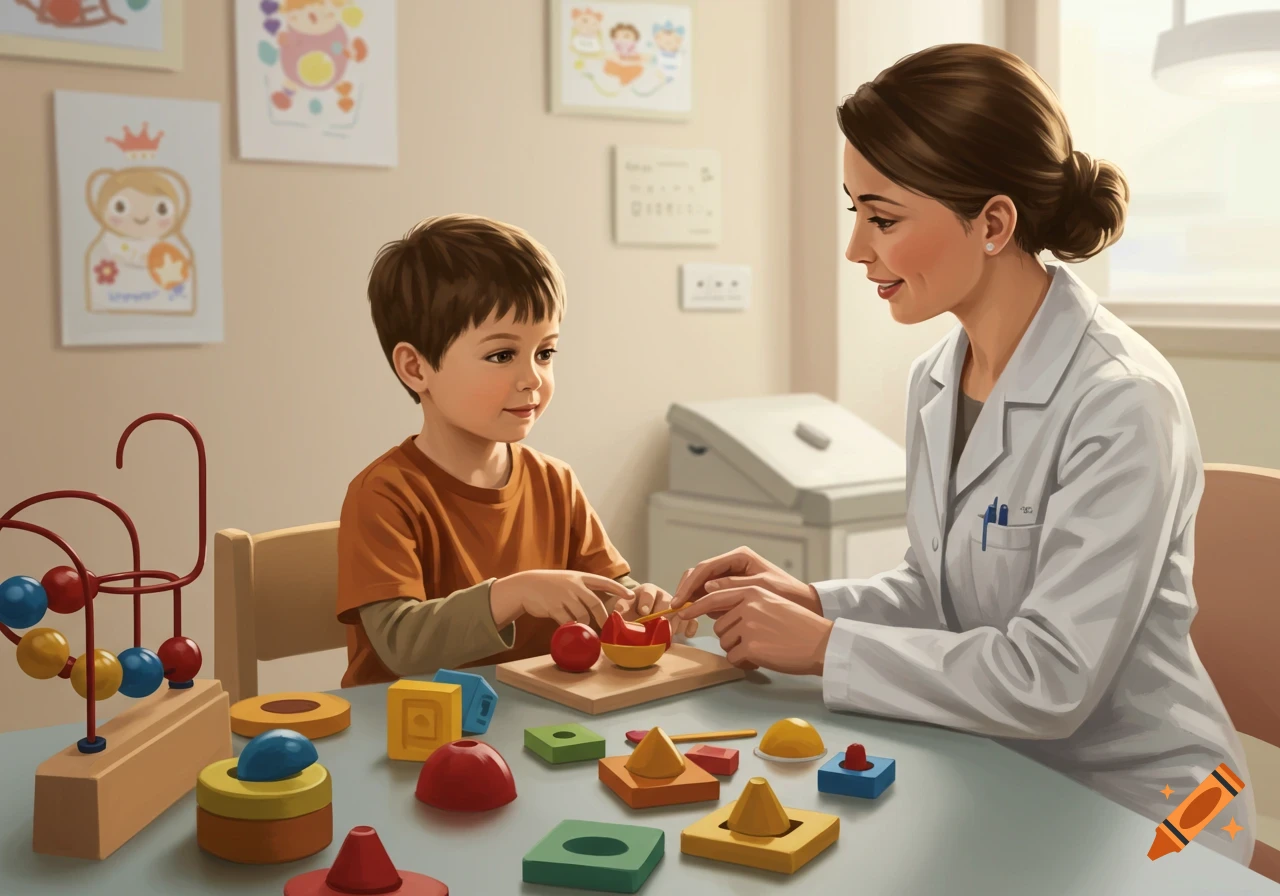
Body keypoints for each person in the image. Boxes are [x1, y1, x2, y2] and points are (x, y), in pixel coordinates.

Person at [672, 43, 1256, 867]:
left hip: (1161, 807)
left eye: (882, 218)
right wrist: (811, 599)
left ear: (993, 223)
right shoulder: (938, 377)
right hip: (1006, 767)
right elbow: (938, 590)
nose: (856, 251)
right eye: (855, 213)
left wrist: (822, 646)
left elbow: (1048, 676)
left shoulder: (1122, 401)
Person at [336, 214, 695, 688]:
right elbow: (403, 645)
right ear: (415, 367)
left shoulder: (555, 482)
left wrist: (639, 604)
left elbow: (605, 593)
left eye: (545, 353)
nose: (533, 378)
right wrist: (516, 592)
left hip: (535, 717)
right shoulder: (384, 495)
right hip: (406, 729)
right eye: (502, 355)